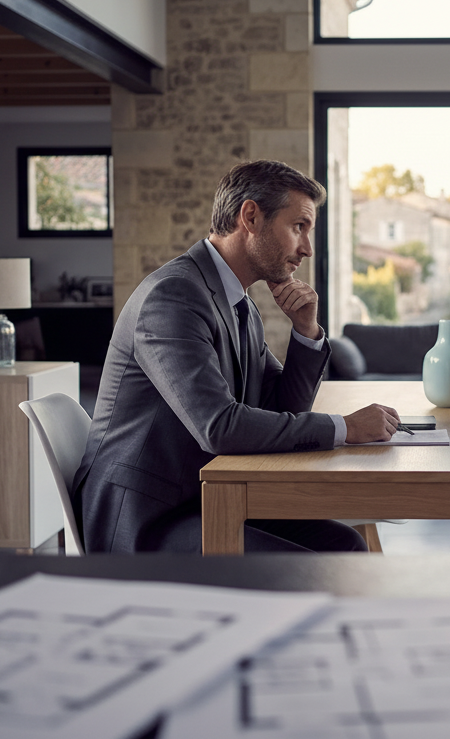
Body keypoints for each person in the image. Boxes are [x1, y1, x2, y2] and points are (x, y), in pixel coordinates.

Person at [71, 160, 401, 553]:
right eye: (299, 226)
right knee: (312, 566)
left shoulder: (239, 304)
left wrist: (306, 331)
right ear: (251, 217)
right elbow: (219, 426)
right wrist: (345, 428)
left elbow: (282, 407)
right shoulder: (174, 296)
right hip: (145, 517)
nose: (307, 249)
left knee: (344, 545)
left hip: (202, 495)